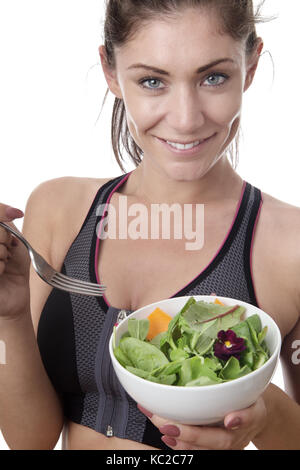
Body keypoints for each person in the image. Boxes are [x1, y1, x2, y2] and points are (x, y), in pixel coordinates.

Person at [0, 0, 299, 450]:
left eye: (213, 77)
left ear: (251, 65)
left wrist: (265, 414)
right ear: (111, 71)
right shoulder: (58, 210)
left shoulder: (290, 246)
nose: (185, 119)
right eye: (152, 81)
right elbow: (30, 440)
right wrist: (10, 319)